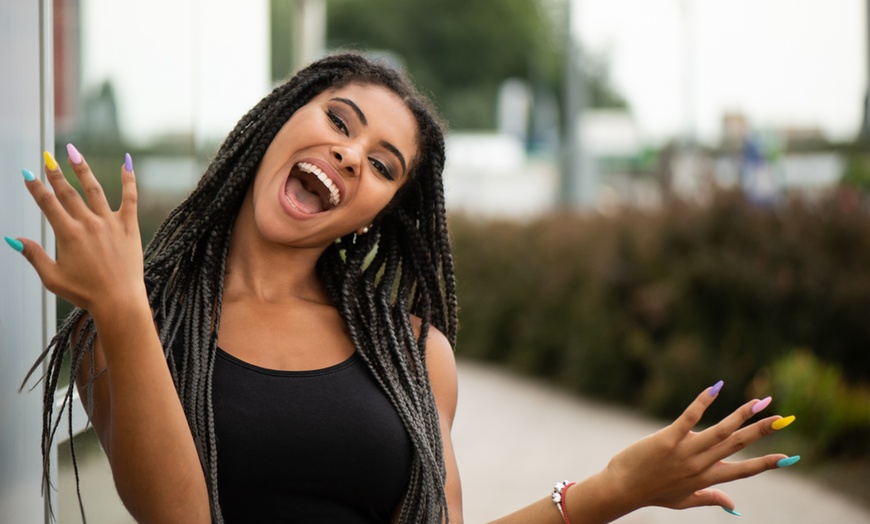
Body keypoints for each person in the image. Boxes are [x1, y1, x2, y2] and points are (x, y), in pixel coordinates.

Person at [8, 53, 798, 523]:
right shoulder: (135, 327)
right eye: (340, 122)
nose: (353, 157)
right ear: (277, 123)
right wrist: (118, 306)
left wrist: (611, 492)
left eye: (385, 165)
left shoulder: (412, 352)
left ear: (380, 209)